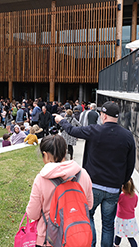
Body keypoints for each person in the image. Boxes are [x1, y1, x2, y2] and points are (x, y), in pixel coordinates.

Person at [54, 101, 136, 247]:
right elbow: (130, 164)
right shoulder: (128, 136)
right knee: (108, 224)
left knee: (88, 217)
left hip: (93, 186)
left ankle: (90, 244)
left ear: (103, 116)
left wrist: (62, 121)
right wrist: (122, 181)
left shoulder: (94, 130)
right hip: (113, 188)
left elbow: (72, 130)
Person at [26, 135, 93, 247]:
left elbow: (33, 213)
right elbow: (89, 205)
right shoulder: (83, 174)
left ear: (46, 155)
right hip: (76, 237)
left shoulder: (41, 179)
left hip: (48, 239)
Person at [114, 178, 138, 247]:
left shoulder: (121, 196)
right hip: (131, 219)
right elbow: (135, 205)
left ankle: (116, 245)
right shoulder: (135, 196)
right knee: (130, 237)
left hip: (121, 219)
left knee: (119, 234)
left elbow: (116, 202)